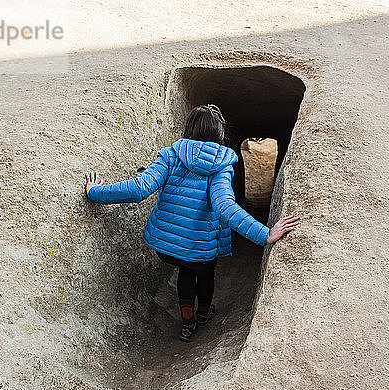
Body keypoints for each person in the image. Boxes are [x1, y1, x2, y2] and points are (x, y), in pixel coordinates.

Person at [85, 104, 299, 342]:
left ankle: (188, 323)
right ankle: (204, 313)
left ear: (189, 129)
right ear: (220, 133)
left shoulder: (171, 155)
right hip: (201, 248)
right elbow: (225, 207)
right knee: (204, 275)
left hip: (166, 246)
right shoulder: (221, 167)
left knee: (185, 272)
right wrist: (265, 234)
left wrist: (95, 192)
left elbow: (139, 188)